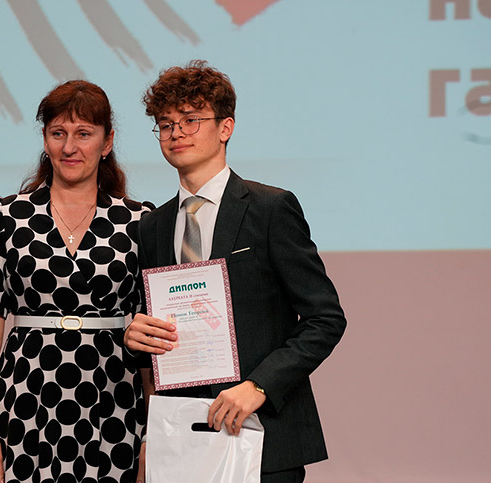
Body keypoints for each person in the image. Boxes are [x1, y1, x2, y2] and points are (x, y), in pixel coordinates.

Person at [124, 60, 347, 482]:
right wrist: (136, 339)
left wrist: (259, 386)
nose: (176, 133)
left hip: (263, 438)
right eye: (166, 124)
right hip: (183, 440)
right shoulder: (152, 225)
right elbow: (155, 335)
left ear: (225, 127)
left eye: (191, 120)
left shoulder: (270, 209)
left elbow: (325, 319)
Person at [0, 80, 152, 483]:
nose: (70, 147)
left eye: (84, 134)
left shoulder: (139, 221)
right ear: (45, 140)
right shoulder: (7, 216)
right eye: (58, 133)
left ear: (107, 142)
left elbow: (150, 341)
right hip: (25, 401)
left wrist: (153, 436)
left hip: (114, 403)